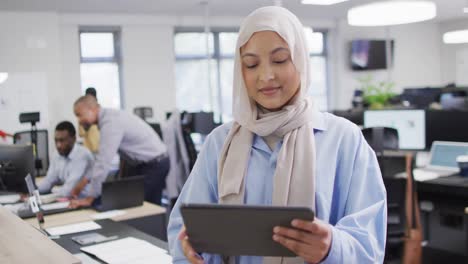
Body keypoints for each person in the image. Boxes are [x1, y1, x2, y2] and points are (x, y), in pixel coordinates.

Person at [167, 6, 387, 264]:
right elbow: (181, 230)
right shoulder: (220, 142)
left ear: (300, 61)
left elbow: (369, 246)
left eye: (280, 59)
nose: (266, 76)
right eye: (251, 64)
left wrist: (331, 248)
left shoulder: (343, 139)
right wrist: (189, 247)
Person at [69, 95, 170, 207]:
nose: (79, 120)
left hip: (155, 165)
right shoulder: (108, 117)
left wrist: (89, 198)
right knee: (141, 206)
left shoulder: (110, 123)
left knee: (139, 206)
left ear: (92, 109)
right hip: (147, 164)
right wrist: (83, 182)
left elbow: (102, 162)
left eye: (79, 115)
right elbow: (101, 159)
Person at [37, 121, 94, 197]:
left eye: (62, 140)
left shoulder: (82, 155)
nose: (58, 145)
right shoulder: (57, 154)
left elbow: (69, 190)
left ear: (73, 139)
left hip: (86, 201)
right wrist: (34, 191)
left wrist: (49, 196)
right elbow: (49, 180)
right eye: (56, 140)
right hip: (69, 200)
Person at [78, 87, 100, 153]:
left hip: (100, 148)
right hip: (89, 149)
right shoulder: (82, 113)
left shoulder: (100, 111)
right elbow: (81, 134)